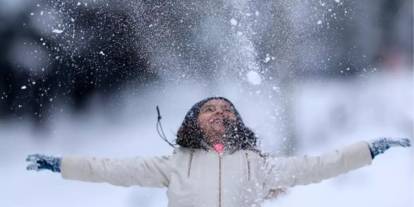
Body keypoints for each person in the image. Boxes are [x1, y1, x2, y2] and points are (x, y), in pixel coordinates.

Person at [26, 97, 411, 207]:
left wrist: (369, 150)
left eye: (227, 109)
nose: (220, 112)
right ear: (193, 121)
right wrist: (61, 165)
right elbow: (109, 168)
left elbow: (318, 165)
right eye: (209, 108)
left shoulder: (258, 166)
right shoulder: (174, 164)